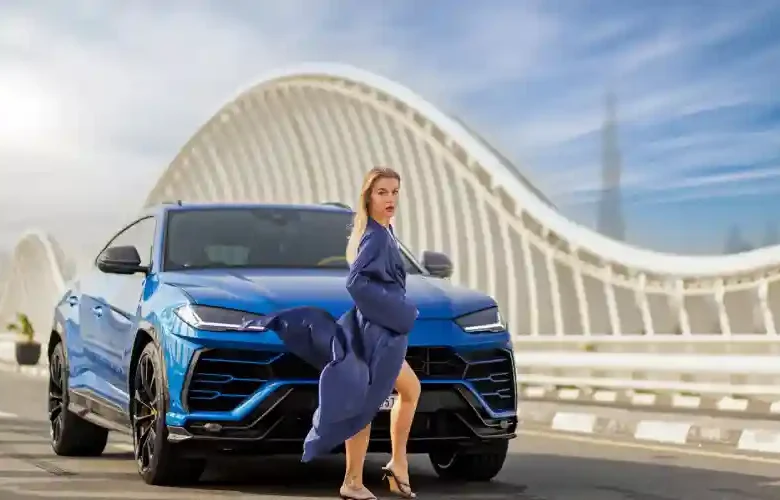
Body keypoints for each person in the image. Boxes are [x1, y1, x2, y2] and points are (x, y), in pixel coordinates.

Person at [258, 167, 420, 500]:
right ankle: (355, 481)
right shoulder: (375, 237)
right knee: (365, 403)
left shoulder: (384, 231)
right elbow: (356, 283)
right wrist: (400, 311)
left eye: (395, 192)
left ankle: (395, 464)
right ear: (368, 197)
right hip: (378, 333)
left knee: (403, 391)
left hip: (380, 329)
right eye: (382, 192)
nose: (390, 198)